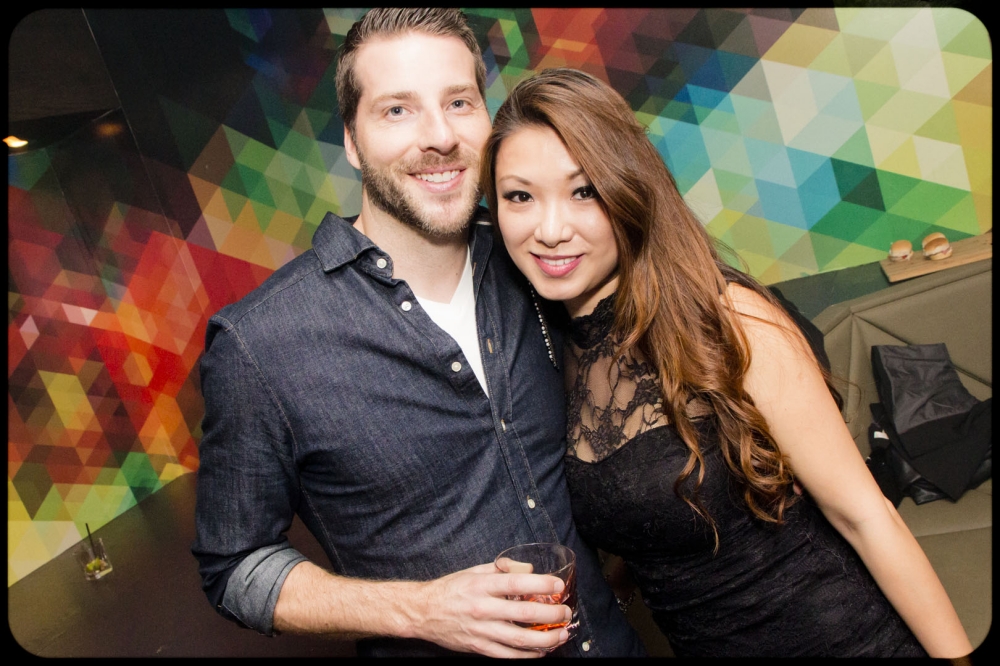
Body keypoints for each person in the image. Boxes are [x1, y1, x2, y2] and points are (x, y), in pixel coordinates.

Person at [191, 11, 645, 659]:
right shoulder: (261, 343)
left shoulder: (538, 258)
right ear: (352, 141)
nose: (439, 136)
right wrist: (419, 610)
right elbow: (234, 566)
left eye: (458, 102)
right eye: (397, 110)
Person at [480, 67, 974, 658]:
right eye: (520, 196)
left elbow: (867, 518)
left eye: (583, 191)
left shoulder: (726, 317)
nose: (550, 229)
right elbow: (656, 503)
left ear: (628, 190)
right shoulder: (551, 351)